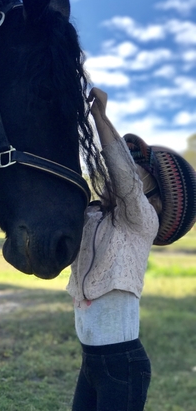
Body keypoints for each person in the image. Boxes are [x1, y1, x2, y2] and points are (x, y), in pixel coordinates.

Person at [67, 87, 196, 411]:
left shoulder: (142, 222)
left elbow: (125, 181)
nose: (116, 177)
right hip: (90, 362)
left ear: (153, 198)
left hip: (123, 365)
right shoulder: (94, 215)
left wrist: (100, 117)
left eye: (138, 177)